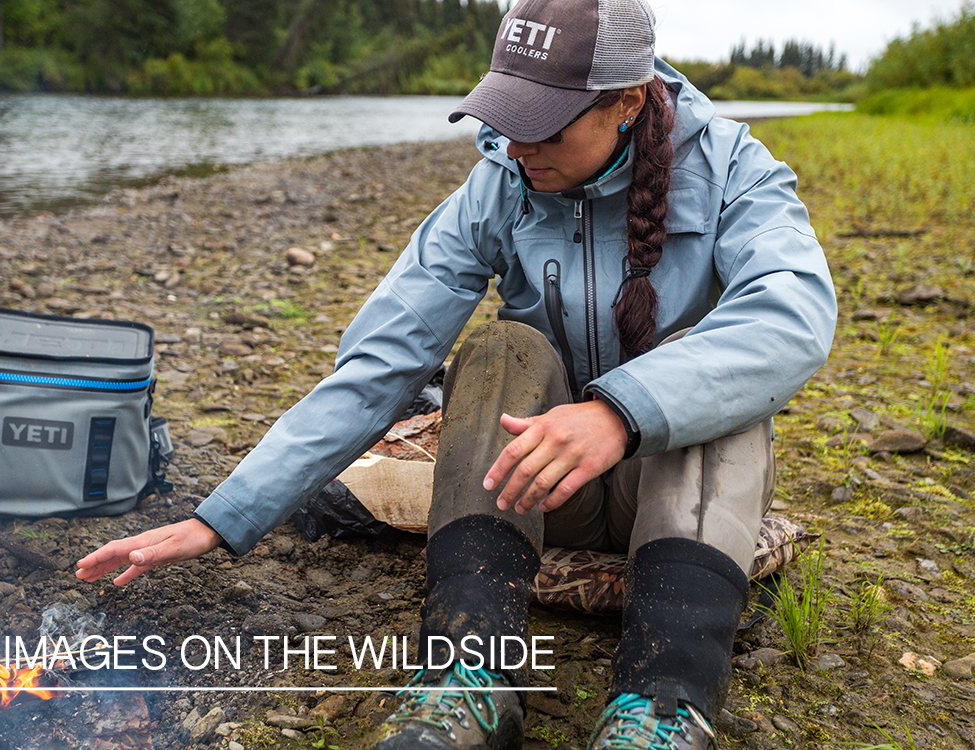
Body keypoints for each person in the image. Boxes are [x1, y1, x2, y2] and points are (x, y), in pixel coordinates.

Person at [77, 0, 837, 747]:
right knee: (501, 348)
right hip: (541, 485)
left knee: (720, 387)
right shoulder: (497, 185)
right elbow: (383, 360)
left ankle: (662, 705)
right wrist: (224, 514)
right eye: (507, 114)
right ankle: (468, 675)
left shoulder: (735, 168)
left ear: (627, 104)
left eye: (542, 123)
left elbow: (791, 315)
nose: (513, 145)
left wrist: (617, 413)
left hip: (674, 494)